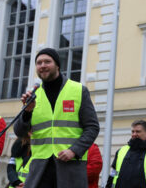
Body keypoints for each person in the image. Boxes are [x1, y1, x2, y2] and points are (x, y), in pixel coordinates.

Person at [14, 47, 100, 188]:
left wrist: (74, 150)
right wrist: (27, 112)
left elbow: (92, 127)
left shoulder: (78, 90)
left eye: (47, 61)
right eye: (39, 63)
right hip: (40, 168)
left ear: (57, 65)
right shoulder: (34, 95)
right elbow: (19, 132)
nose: (42, 65)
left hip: (70, 165)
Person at [106, 120, 146, 188]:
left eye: (138, 131)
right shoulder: (121, 151)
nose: (134, 134)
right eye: (133, 131)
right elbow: (112, 174)